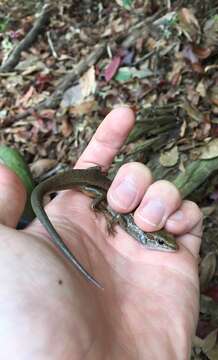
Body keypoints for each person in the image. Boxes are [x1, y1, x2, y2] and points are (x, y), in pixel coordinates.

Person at [0, 107, 202, 359]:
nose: (169, 246)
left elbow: (121, 215)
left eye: (165, 242)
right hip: (89, 185)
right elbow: (118, 214)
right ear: (152, 238)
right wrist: (102, 213)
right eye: (163, 242)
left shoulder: (143, 233)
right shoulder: (136, 229)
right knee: (106, 202)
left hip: (90, 181)